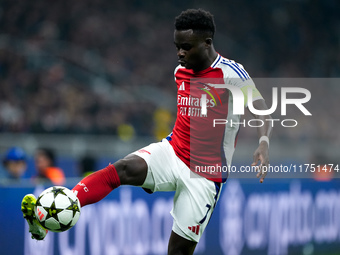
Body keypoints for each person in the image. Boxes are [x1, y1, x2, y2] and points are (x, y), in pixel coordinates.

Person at [21, 9, 272, 254]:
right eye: (177, 46)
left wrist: (263, 142)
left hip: (205, 176)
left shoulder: (231, 74)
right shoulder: (180, 72)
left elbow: (262, 109)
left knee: (179, 250)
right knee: (121, 169)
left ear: (207, 43)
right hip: (173, 151)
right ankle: (62, 207)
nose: (180, 53)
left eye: (186, 47)